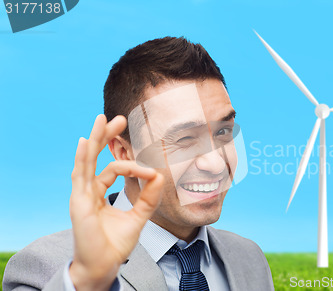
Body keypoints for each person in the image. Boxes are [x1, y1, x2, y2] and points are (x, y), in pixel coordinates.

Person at [3, 36, 274, 291]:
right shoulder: (45, 269)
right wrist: (87, 279)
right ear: (123, 151)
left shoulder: (249, 259)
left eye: (223, 132)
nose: (216, 164)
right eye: (185, 139)